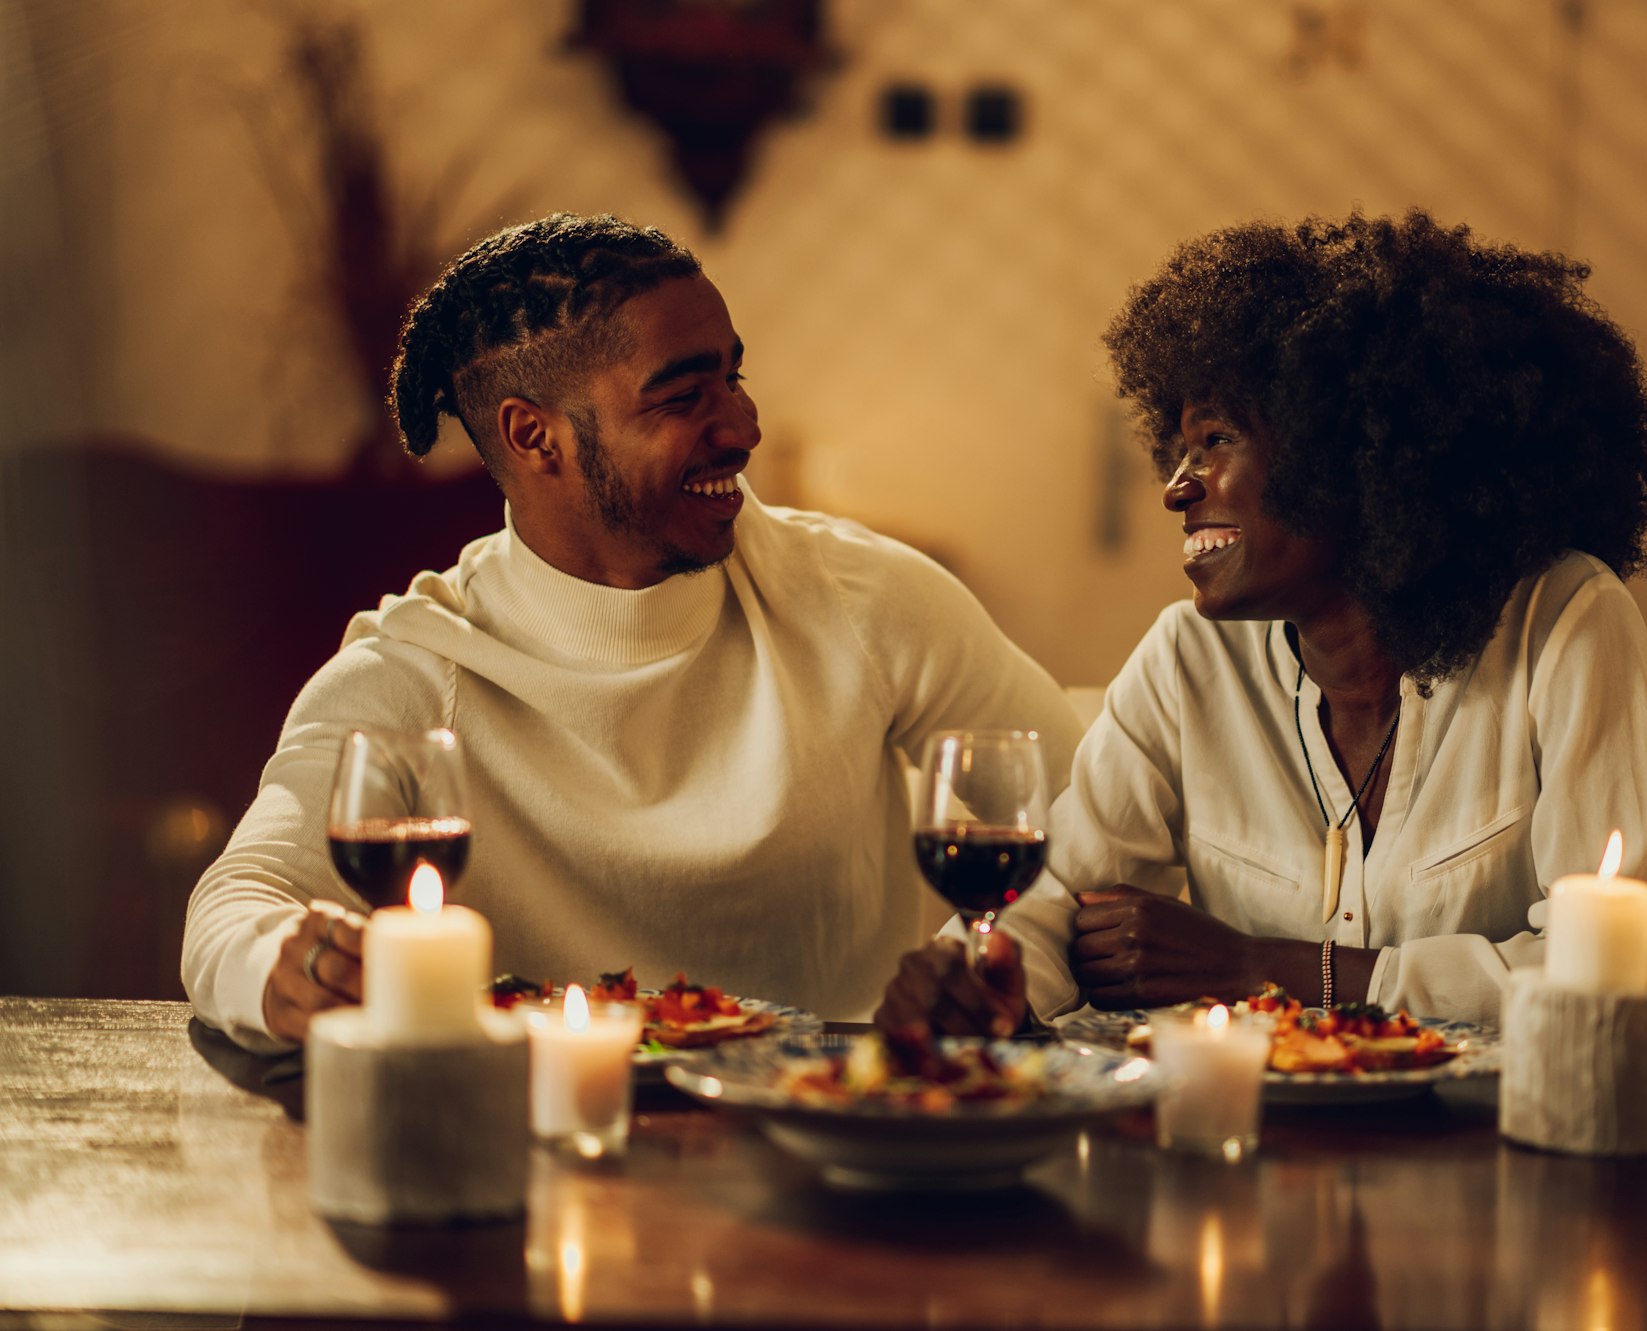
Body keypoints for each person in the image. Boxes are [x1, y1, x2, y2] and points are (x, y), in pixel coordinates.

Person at [182, 213, 1081, 1053]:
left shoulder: (862, 599)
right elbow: (234, 906)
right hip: (542, 1163)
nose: (742, 426)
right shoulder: (419, 669)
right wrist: (293, 970)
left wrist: (995, 966)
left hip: (843, 1146)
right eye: (683, 396)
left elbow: (1085, 809)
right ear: (535, 437)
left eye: (734, 376)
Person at [877, 209, 1647, 1035]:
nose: (1177, 486)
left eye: (1217, 440)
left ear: (1350, 456)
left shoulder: (1562, 623)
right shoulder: (1187, 661)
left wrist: (1267, 969)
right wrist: (976, 976)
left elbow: (1628, 962)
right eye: (1179, 449)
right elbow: (1059, 900)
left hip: (1502, 1149)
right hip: (1245, 1149)